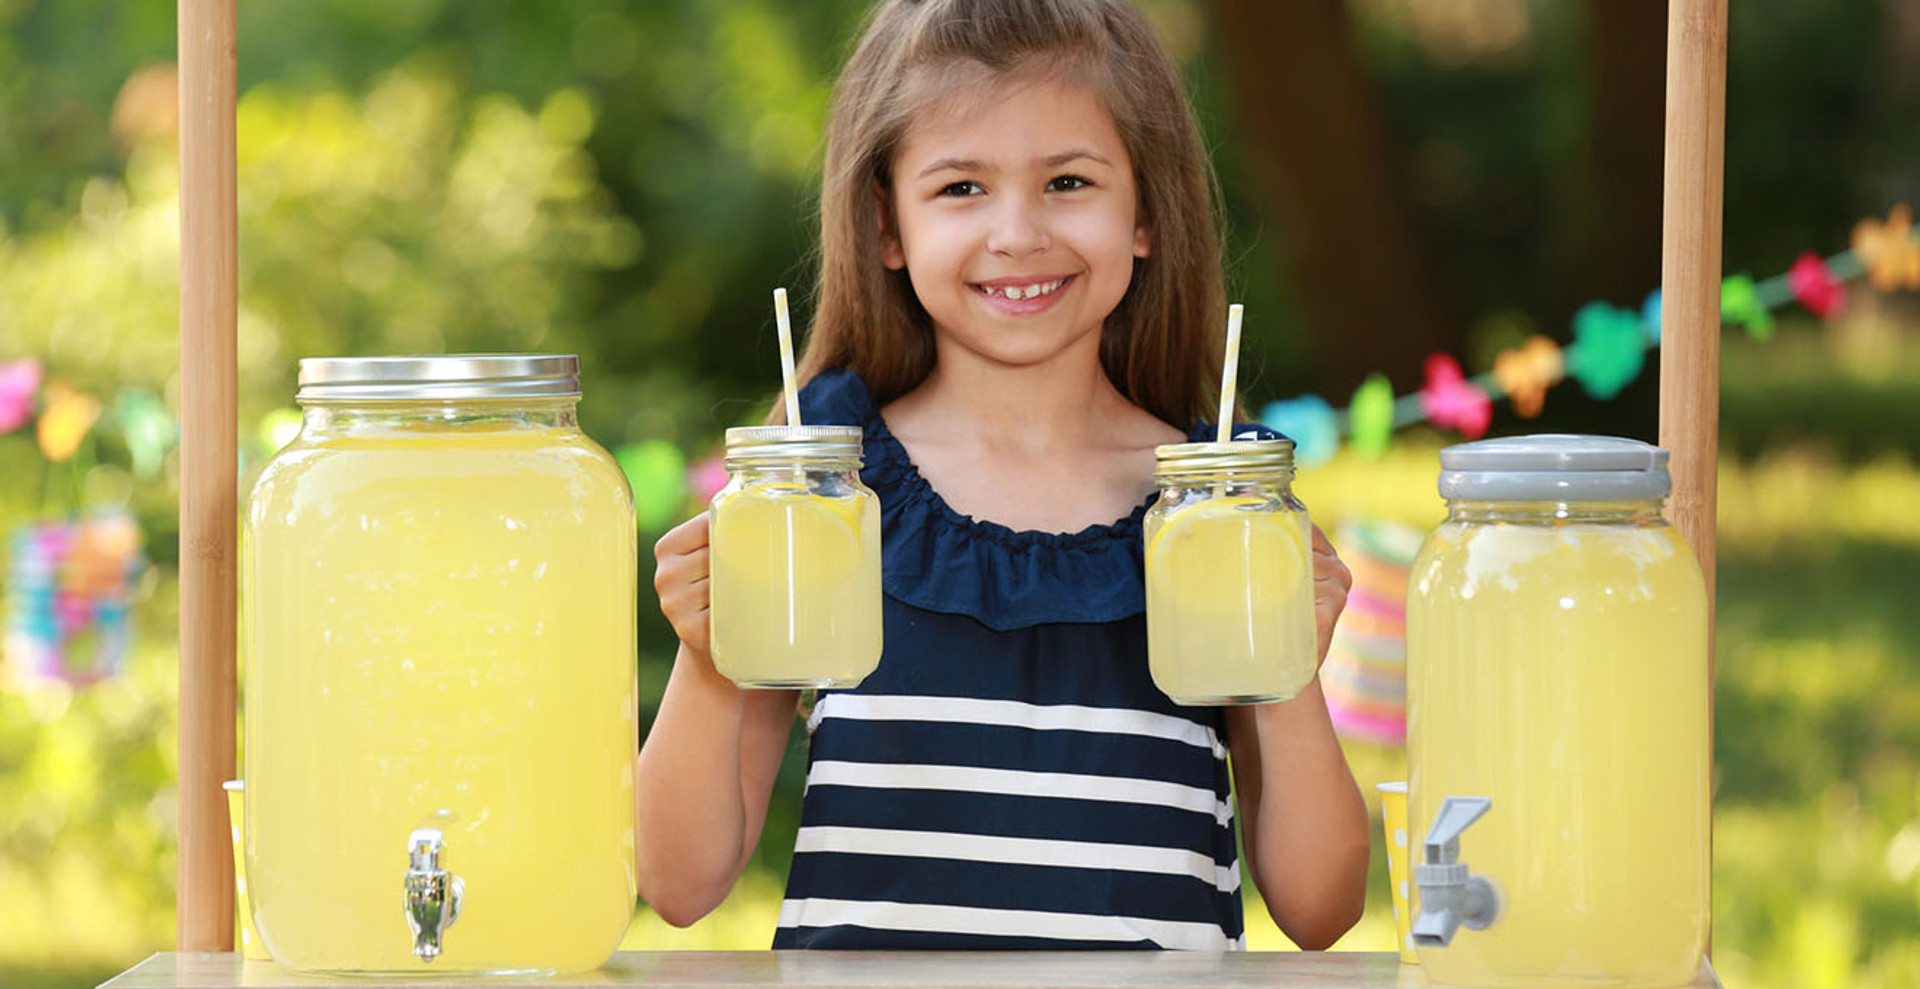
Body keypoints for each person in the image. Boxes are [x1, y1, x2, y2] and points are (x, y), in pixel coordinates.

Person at [637, 0, 1368, 950]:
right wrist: (704, 656)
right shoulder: (821, 487)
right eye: (960, 189)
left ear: (1144, 212)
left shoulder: (1216, 504)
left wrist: (1294, 664)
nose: (1017, 233)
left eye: (1067, 180)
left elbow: (1321, 907)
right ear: (886, 224)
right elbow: (681, 882)